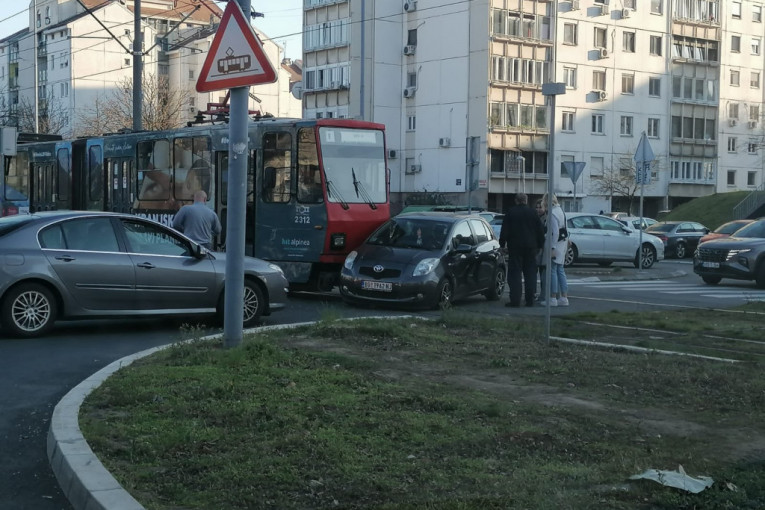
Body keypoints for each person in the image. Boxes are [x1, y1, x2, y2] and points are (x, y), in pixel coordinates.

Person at [498, 193, 545, 308]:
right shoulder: (533, 213)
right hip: (531, 247)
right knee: (530, 274)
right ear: (526, 200)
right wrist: (540, 245)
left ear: (516, 200)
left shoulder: (511, 212)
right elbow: (540, 231)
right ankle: (530, 300)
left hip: (515, 247)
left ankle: (515, 300)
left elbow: (504, 230)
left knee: (515, 275)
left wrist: (502, 244)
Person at [540, 193, 569, 307]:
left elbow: (555, 232)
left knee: (552, 270)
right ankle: (564, 297)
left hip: (555, 244)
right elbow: (565, 228)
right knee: (560, 270)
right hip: (562, 243)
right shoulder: (560, 211)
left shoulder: (552, 213)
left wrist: (552, 248)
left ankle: (553, 298)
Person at [534, 199, 547, 302]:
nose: (538, 209)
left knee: (543, 273)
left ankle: (543, 294)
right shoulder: (535, 218)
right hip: (536, 249)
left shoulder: (546, 219)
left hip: (543, 249)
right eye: (537, 207)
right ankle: (533, 293)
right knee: (533, 272)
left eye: (540, 207)